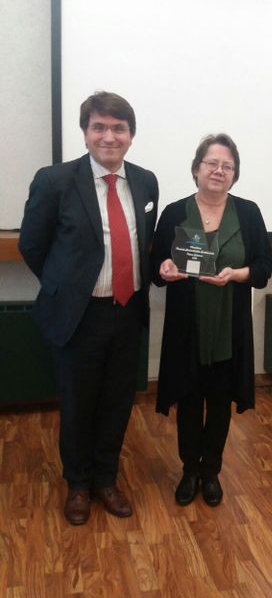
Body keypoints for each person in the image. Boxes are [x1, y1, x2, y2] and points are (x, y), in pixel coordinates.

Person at [19, 91, 158, 525]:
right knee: (78, 405)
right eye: (99, 127)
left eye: (118, 128)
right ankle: (78, 484)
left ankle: (106, 479)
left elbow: (144, 241)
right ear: (85, 133)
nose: (109, 136)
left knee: (117, 403)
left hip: (128, 312)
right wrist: (66, 288)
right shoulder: (55, 181)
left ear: (131, 135)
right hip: (80, 316)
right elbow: (32, 245)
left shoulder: (146, 182)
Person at [151, 133, 272, 507]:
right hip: (187, 327)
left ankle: (211, 472)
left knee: (219, 401)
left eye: (227, 166)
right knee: (189, 400)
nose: (219, 170)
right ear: (196, 169)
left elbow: (264, 265)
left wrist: (237, 274)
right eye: (212, 163)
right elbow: (154, 266)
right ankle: (189, 470)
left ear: (234, 174)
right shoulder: (175, 212)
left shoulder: (248, 213)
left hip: (228, 326)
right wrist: (165, 266)